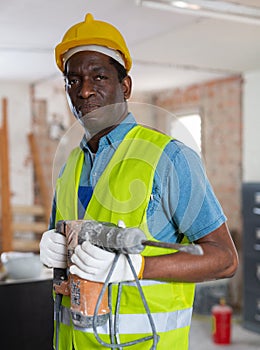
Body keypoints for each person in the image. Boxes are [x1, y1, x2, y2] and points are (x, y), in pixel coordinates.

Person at [39, 13, 238, 350]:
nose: (84, 90)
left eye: (98, 76)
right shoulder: (70, 165)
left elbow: (225, 259)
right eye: (73, 80)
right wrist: (52, 248)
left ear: (125, 86)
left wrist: (139, 266)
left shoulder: (169, 158)